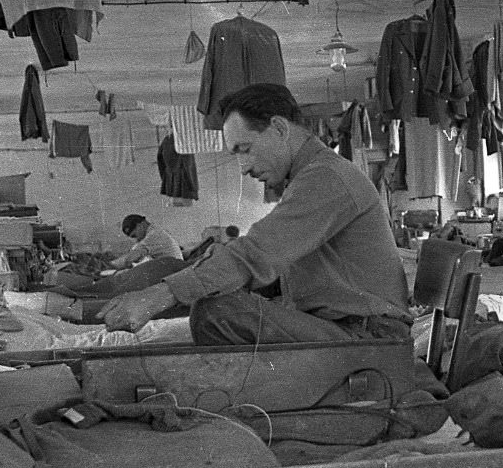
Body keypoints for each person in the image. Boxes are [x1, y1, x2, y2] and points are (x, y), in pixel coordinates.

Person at [96, 83, 412, 344]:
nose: (244, 168)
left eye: (244, 150)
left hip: (370, 337)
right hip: (349, 327)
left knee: (217, 311)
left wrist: (158, 296)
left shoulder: (327, 177)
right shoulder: (311, 176)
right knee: (209, 293)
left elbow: (257, 252)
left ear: (278, 128)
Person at [108, 214, 183, 270]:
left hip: (175, 270)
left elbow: (130, 258)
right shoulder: (155, 231)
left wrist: (109, 265)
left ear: (140, 225)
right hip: (174, 267)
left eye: (134, 235)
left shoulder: (154, 235)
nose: (136, 239)